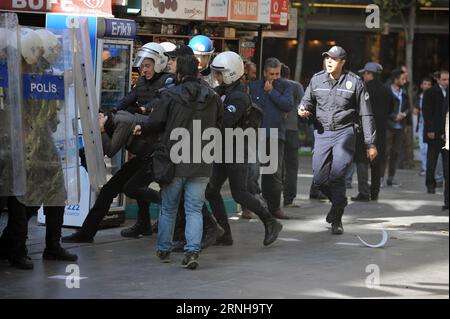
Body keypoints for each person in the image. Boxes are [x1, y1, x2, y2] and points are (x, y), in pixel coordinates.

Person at [63, 43, 172, 242]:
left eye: (148, 65)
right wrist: (108, 114)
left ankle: (172, 206)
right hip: (144, 151)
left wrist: (142, 110)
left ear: (159, 63)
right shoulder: (141, 83)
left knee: (133, 187)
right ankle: (88, 233)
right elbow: (126, 100)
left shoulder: (168, 82)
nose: (144, 69)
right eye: (142, 66)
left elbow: (160, 106)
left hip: (159, 152)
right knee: (111, 189)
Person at [134, 55, 223, 270]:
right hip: (202, 160)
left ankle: (164, 249)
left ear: (179, 74)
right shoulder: (213, 97)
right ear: (198, 72)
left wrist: (141, 128)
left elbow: (156, 123)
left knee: (169, 208)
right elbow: (220, 125)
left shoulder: (170, 95)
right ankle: (192, 251)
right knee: (194, 208)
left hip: (174, 160)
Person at [204, 51, 283, 246]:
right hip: (223, 149)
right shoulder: (225, 91)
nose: (216, 77)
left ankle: (270, 221)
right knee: (211, 190)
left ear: (231, 73)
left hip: (236, 150)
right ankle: (225, 232)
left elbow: (226, 123)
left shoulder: (238, 97)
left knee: (239, 193)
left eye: (219, 73)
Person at [299, 46, 377, 235]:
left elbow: (366, 114)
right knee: (318, 179)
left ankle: (337, 218)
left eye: (334, 59)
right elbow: (306, 100)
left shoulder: (355, 82)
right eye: (327, 58)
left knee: (338, 175)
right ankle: (340, 201)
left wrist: (370, 143)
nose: (329, 62)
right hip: (322, 133)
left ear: (342, 62)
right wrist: (302, 108)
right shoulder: (317, 79)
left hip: (345, 133)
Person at [249, 58, 295, 220]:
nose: (275, 77)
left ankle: (274, 207)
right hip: (255, 134)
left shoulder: (285, 86)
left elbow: (288, 105)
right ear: (264, 73)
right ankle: (250, 205)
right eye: (271, 74)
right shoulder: (254, 86)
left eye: (277, 74)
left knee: (273, 174)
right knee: (251, 173)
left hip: (275, 135)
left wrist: (272, 92)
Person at [352, 62, 393, 201]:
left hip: (364, 129)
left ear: (370, 74)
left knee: (362, 160)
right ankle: (374, 193)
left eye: (365, 73)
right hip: (380, 131)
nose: (363, 75)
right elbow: (391, 110)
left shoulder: (362, 89)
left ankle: (364, 192)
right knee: (376, 161)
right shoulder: (387, 90)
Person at [423, 70, 449, 210]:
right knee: (432, 160)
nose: (446, 82)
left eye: (448, 80)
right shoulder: (430, 92)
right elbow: (427, 112)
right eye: (444, 80)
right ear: (438, 80)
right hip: (434, 132)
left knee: (446, 165)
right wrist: (430, 130)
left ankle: (445, 193)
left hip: (446, 133)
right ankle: (430, 184)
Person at [280, 63, 304, 207]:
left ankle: (269, 196)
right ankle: (288, 198)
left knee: (273, 164)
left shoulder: (271, 84)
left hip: (274, 129)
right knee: (291, 166)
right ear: (288, 74)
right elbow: (303, 104)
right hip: (291, 129)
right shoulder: (295, 86)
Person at [382, 69, 409, 187]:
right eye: (402, 79)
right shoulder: (386, 90)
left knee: (395, 153)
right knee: (385, 152)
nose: (404, 81)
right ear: (395, 79)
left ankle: (391, 178)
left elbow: (408, 106)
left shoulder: (404, 91)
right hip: (388, 125)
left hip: (400, 126)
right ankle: (380, 178)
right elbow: (382, 108)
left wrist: (404, 114)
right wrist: (394, 116)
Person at [415, 77, 434, 176]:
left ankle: (431, 169)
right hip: (421, 124)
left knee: (429, 148)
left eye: (428, 84)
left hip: (430, 125)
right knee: (422, 148)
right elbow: (415, 108)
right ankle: (424, 168)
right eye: (424, 84)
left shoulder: (433, 96)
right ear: (421, 85)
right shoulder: (419, 97)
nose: (426, 86)